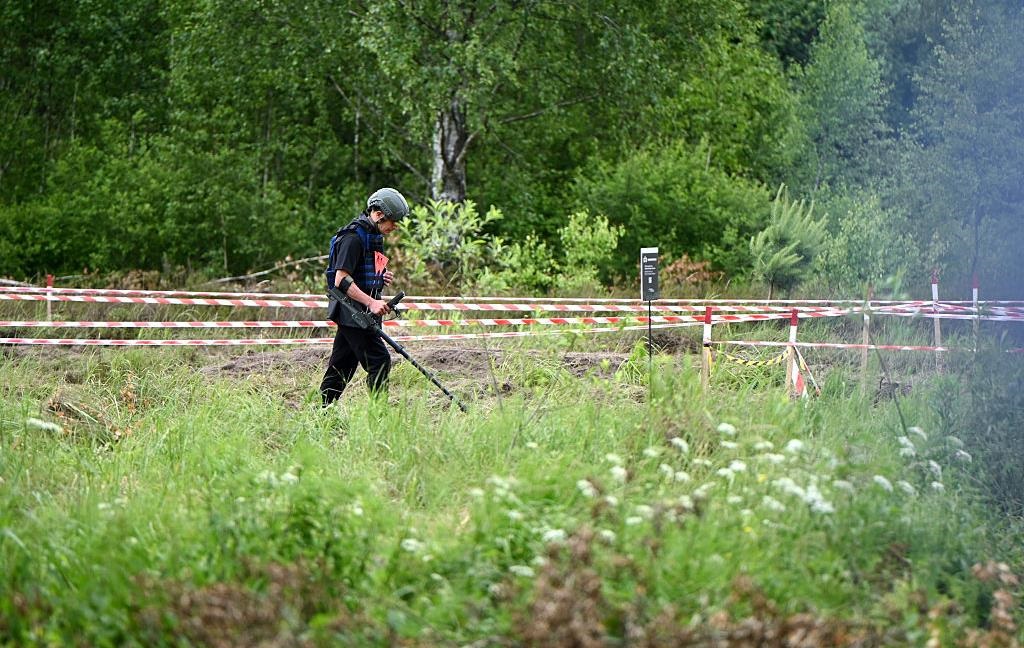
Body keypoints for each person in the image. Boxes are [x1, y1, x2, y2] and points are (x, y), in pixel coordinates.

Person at [320, 187, 409, 406]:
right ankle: (378, 416)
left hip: (359, 312)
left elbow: (359, 272)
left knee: (342, 365)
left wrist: (379, 277)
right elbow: (341, 279)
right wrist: (371, 302)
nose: (395, 226)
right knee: (379, 360)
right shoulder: (353, 238)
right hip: (354, 313)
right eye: (393, 221)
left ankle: (322, 412)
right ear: (378, 214)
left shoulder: (371, 236)